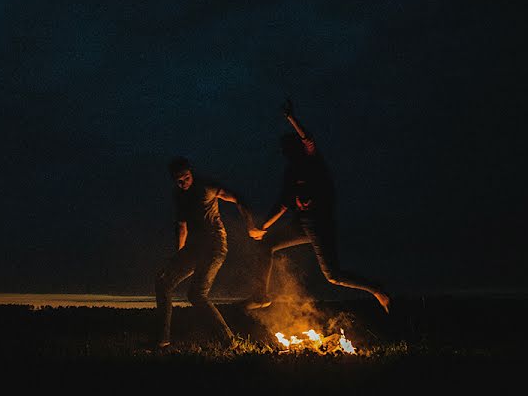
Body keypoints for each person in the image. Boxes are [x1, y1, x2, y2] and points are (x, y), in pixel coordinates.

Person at [244, 100, 390, 313]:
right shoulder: (291, 172)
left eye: (289, 149)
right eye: (284, 150)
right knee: (266, 244)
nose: (286, 153)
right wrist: (263, 227)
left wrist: (291, 118)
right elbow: (283, 204)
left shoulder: (313, 162)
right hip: (302, 224)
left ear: (296, 149)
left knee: (333, 276)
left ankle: (376, 290)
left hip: (320, 225)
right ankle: (261, 295)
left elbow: (308, 139)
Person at [155, 156, 266, 348]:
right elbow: (182, 226)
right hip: (194, 247)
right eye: (178, 180)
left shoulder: (206, 187)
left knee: (197, 294)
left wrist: (250, 226)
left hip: (214, 244)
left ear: (191, 173)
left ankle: (229, 341)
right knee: (163, 282)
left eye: (186, 178)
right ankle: (163, 339)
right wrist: (179, 255)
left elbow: (237, 198)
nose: (183, 183)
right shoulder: (179, 195)